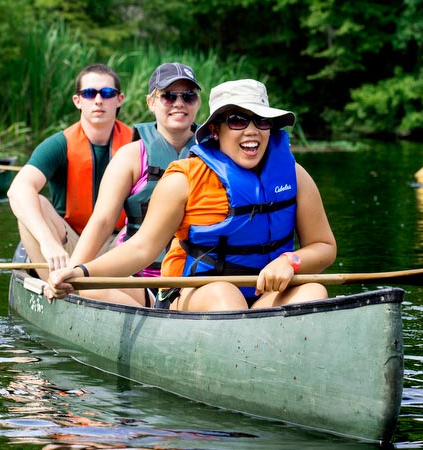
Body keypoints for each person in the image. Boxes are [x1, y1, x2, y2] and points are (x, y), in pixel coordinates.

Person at [47, 79, 337, 312]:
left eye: (261, 121)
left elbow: (324, 246)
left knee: (314, 292)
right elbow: (141, 250)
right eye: (237, 120)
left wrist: (291, 261)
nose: (252, 131)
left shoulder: (295, 175)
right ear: (215, 130)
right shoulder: (183, 180)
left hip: (265, 298)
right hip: (199, 296)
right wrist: (82, 273)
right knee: (225, 294)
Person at [65, 62, 202, 306]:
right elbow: (103, 221)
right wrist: (73, 272)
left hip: (196, 280)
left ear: (198, 103)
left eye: (188, 96)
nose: (179, 103)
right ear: (151, 103)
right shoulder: (130, 156)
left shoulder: (217, 154)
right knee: (88, 289)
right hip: (140, 280)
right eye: (168, 96)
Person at [8, 63, 133, 281]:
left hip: (120, 244)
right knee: (32, 204)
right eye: (89, 93)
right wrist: (48, 241)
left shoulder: (137, 143)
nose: (98, 100)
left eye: (107, 93)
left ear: (119, 99)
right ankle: (55, 284)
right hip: (69, 244)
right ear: (78, 101)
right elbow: (17, 189)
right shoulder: (59, 144)